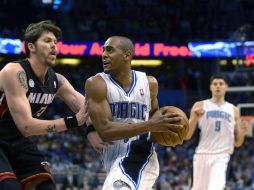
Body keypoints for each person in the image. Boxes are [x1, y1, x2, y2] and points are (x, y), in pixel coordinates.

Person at [85, 36, 185, 190]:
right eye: (103, 50)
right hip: (113, 160)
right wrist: (90, 130)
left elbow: (155, 118)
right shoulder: (96, 84)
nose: (104, 54)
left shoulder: (149, 83)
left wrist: (172, 130)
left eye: (110, 50)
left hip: (140, 155)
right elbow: (105, 131)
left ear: (127, 55)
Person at [0, 20, 88, 190]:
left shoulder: (58, 80)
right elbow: (26, 126)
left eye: (55, 42)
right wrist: (73, 121)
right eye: (47, 41)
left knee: (47, 187)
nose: (54, 46)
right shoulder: (15, 71)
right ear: (31, 47)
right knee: (9, 187)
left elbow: (87, 109)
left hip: (18, 140)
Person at [185, 75, 248, 190]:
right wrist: (194, 117)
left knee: (216, 187)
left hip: (222, 155)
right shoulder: (200, 105)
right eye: (215, 84)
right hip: (201, 154)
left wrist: (243, 133)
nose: (218, 86)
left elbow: (238, 143)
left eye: (221, 83)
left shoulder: (234, 110)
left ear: (226, 87)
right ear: (210, 87)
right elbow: (187, 135)